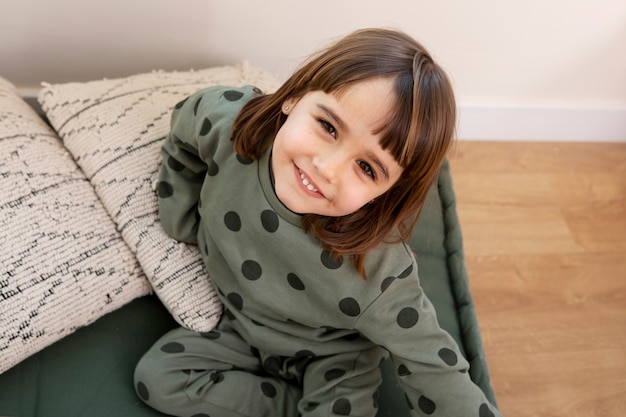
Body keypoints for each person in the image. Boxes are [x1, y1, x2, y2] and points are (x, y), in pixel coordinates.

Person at [134, 28, 503, 417]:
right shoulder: (225, 122)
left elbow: (435, 367)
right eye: (328, 127)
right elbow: (182, 132)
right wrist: (178, 217)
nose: (327, 168)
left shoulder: (380, 270)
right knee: (157, 378)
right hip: (239, 324)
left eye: (366, 167)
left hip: (334, 358)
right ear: (295, 97)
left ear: (386, 193)